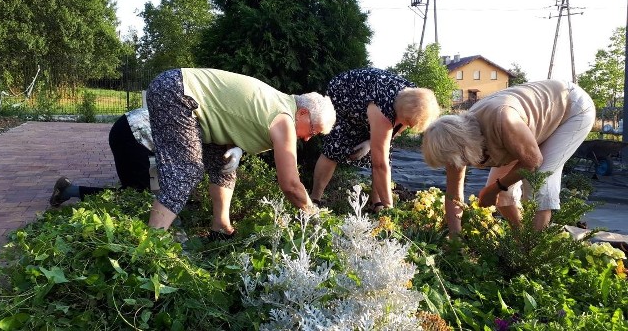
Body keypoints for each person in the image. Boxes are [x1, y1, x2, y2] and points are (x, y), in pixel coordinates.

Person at [145, 68, 337, 236]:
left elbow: (243, 117)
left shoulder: (282, 104)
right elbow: (291, 185)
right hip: (177, 92)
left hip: (178, 88)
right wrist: (311, 212)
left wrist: (237, 148)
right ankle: (150, 248)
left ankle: (220, 228)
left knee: (224, 167)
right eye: (313, 131)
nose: (308, 138)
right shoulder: (285, 120)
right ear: (303, 113)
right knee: (186, 172)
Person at [421, 79, 595, 235]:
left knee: (538, 184)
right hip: (529, 127)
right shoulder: (454, 144)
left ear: (465, 148)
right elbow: (454, 195)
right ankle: (522, 240)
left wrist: (494, 189)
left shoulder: (503, 121)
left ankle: (531, 255)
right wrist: (455, 239)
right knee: (503, 198)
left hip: (571, 109)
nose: (452, 166)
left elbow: (533, 162)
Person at [309, 67, 440, 212]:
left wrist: (370, 143)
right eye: (407, 123)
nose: (407, 127)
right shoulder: (384, 111)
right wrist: (391, 210)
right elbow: (379, 165)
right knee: (335, 147)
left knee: (383, 152)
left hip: (370, 99)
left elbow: (400, 126)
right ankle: (314, 200)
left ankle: (376, 204)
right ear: (397, 112)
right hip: (345, 94)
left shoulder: (417, 99)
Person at [49, 108, 156, 206]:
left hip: (130, 127)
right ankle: (67, 191)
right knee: (136, 195)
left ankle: (68, 190)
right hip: (131, 134)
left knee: (135, 191)